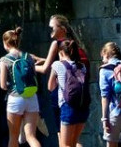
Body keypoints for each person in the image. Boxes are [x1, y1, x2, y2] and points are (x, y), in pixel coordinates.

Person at [34, 15, 88, 147]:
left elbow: (46, 68)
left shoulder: (56, 44)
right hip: (79, 97)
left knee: (62, 140)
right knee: (74, 142)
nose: (50, 29)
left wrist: (28, 65)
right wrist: (43, 59)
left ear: (62, 29)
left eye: (52, 27)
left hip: (62, 96)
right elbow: (66, 63)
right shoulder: (73, 45)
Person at [0, 26, 41, 147]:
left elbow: (2, 85)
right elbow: (33, 74)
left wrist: (11, 85)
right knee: (31, 136)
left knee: (13, 137)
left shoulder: (4, 60)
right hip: (32, 96)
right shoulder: (28, 56)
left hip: (15, 98)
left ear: (5, 43)